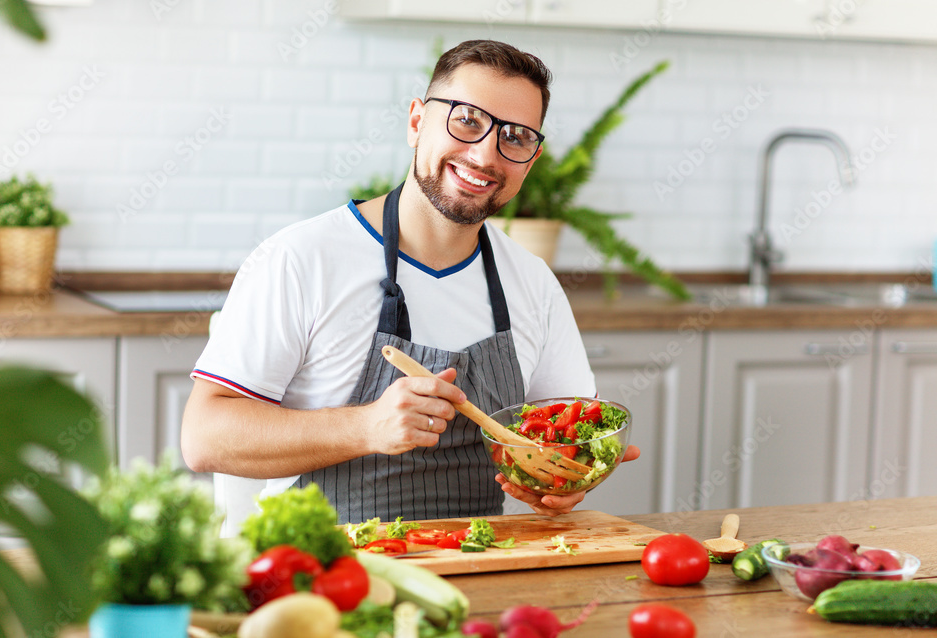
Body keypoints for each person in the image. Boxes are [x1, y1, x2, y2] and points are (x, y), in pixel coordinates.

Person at [181, 39, 640, 525]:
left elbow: (565, 435)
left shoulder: (533, 283)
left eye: (516, 136)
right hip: (327, 572)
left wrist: (561, 478)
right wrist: (364, 428)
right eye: (466, 120)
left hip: (482, 564)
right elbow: (204, 437)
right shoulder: (300, 260)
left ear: (531, 158)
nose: (486, 155)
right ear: (417, 122)